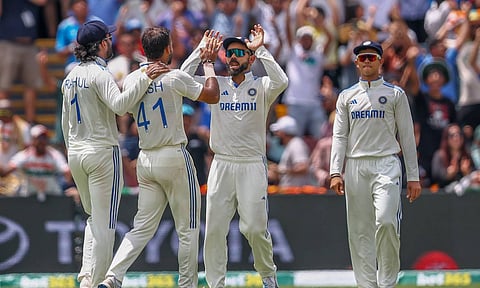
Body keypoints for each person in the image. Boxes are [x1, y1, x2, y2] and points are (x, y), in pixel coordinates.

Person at [98, 27, 220, 288]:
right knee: (187, 230)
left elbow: (129, 105)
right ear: (168, 49)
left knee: (140, 228)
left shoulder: (133, 79)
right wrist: (208, 64)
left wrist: (197, 52)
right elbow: (212, 94)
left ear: (143, 50)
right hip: (173, 156)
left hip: (146, 159)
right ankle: (187, 285)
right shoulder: (174, 77)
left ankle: (112, 277)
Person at [181, 24, 289, 288]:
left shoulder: (263, 86)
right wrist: (200, 51)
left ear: (250, 58)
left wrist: (260, 48)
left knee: (254, 228)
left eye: (240, 52)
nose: (233, 56)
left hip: (251, 164)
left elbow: (282, 81)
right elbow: (181, 80)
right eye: (230, 52)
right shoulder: (215, 85)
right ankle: (216, 284)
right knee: (215, 230)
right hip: (222, 164)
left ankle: (268, 277)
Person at [61, 19, 166, 288]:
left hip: (76, 153)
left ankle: (86, 278)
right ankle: (96, 283)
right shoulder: (100, 73)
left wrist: (73, 152)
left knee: (94, 218)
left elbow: (65, 124)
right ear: (102, 44)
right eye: (109, 39)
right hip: (101, 153)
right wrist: (144, 78)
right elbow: (120, 107)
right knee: (105, 224)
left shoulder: (70, 76)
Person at [329, 40, 422, 288]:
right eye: (363, 58)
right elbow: (339, 136)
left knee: (386, 221)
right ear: (357, 62)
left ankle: (388, 283)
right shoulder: (347, 96)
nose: (367, 62)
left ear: (381, 61)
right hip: (356, 165)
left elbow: (407, 136)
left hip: (386, 163)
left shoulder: (395, 94)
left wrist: (413, 176)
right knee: (360, 232)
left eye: (372, 57)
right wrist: (335, 172)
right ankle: (367, 284)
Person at [0, 124, 77, 202]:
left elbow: (66, 171)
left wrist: (70, 185)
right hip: (29, 197)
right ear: (33, 140)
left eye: (44, 138)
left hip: (52, 197)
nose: (42, 141)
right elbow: (5, 171)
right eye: (39, 138)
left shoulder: (53, 155)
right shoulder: (25, 155)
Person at [269, 115, 312, 189]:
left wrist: (280, 170)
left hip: (297, 195)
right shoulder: (291, 144)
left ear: (283, 133)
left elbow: (303, 167)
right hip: (291, 194)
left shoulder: (296, 144)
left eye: (278, 132)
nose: (276, 135)